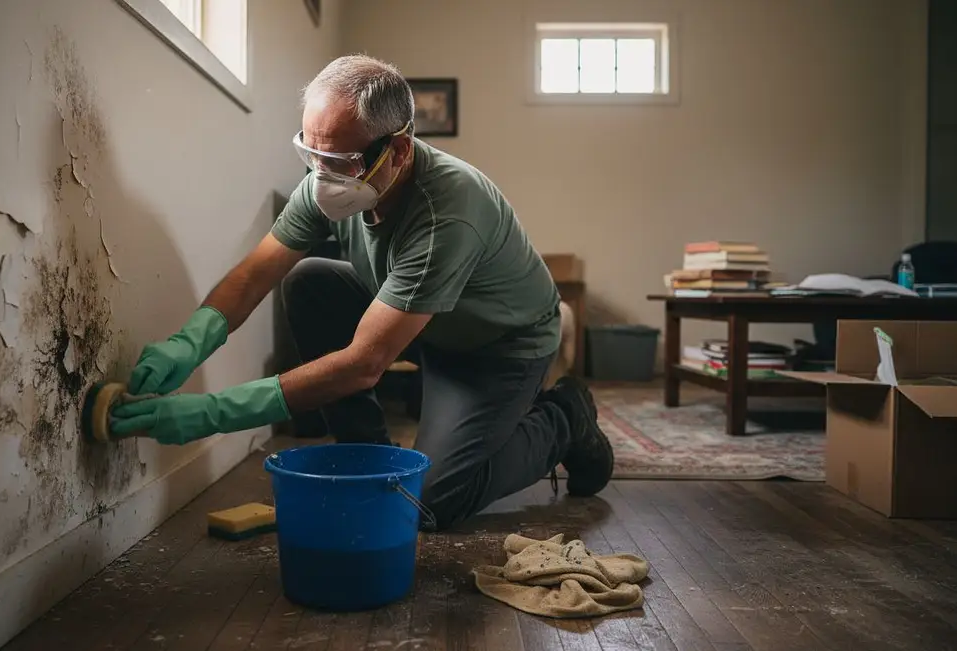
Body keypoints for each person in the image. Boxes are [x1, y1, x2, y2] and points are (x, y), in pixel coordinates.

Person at [109, 55, 614, 531]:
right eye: (311, 154)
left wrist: (213, 413)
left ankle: (566, 418)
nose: (321, 177)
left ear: (398, 150)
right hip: (422, 320)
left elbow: (364, 363)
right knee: (308, 282)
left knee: (430, 503)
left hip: (499, 345)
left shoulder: (447, 213)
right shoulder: (329, 179)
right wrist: (190, 340)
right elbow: (254, 275)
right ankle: (368, 457)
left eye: (341, 161)